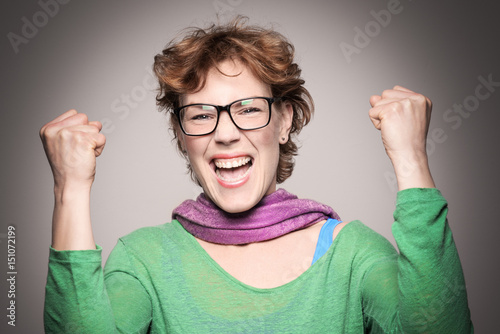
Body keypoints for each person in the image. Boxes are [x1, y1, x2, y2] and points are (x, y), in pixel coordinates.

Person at [40, 17, 473, 333]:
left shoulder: (353, 254)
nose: (225, 134)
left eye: (248, 109)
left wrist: (411, 158)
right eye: (201, 114)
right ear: (181, 132)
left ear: (284, 121)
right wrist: (70, 189)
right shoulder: (144, 260)